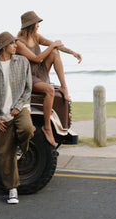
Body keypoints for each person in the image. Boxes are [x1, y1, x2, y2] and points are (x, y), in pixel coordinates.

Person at [0, 31, 35, 204]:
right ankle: (12, 190)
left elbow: (28, 88)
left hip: (19, 109)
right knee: (4, 154)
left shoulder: (22, 62)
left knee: (27, 129)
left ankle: (21, 147)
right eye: (12, 43)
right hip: (1, 116)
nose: (16, 46)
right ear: (4, 46)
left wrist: (18, 106)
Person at [16, 11, 82, 147]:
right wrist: (52, 46)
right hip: (29, 76)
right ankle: (47, 127)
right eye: (36, 24)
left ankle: (64, 87)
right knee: (50, 90)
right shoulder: (19, 43)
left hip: (39, 71)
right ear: (30, 25)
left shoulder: (35, 36)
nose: (38, 26)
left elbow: (55, 45)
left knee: (54, 52)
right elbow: (35, 58)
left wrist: (72, 52)